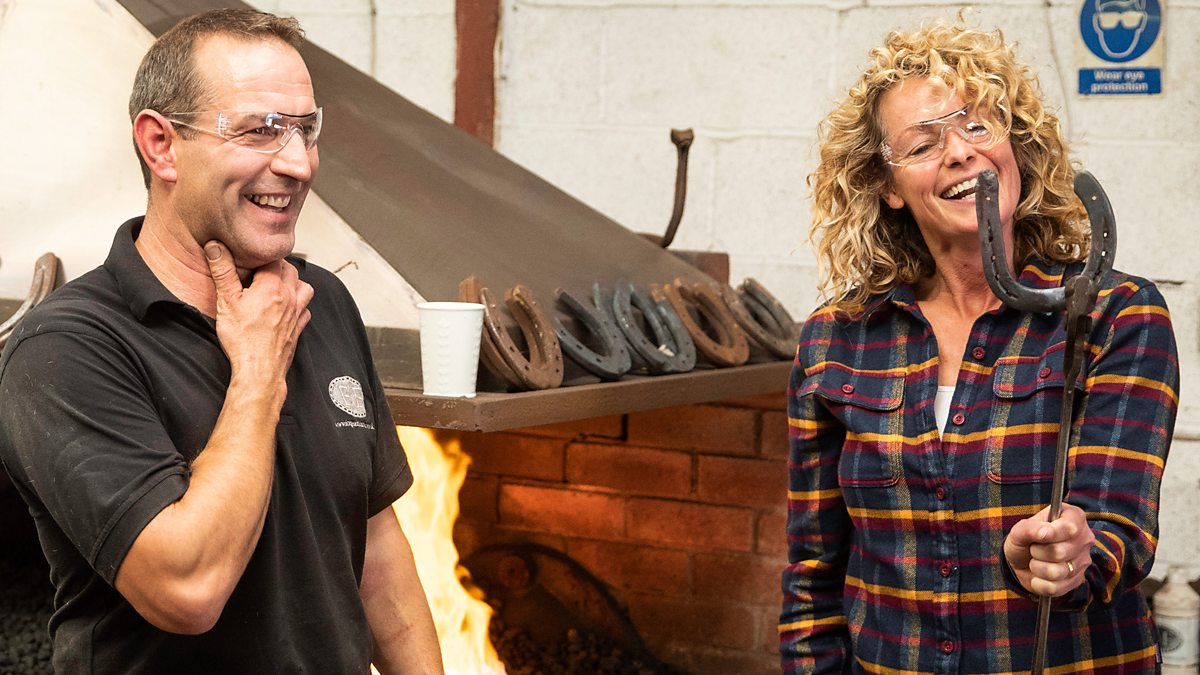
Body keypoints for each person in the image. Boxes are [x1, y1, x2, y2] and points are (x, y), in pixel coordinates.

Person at [0, 9, 444, 674]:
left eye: (305, 129)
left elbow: (376, 554)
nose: (298, 163)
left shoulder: (320, 300)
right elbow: (188, 590)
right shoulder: (64, 348)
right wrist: (259, 368)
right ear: (161, 145)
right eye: (260, 129)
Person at [779, 20, 1178, 674]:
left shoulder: (1114, 313)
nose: (960, 152)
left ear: (1014, 145)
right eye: (923, 143)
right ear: (887, 186)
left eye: (977, 125)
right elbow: (812, 569)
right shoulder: (836, 340)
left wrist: (1072, 554)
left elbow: (1119, 529)